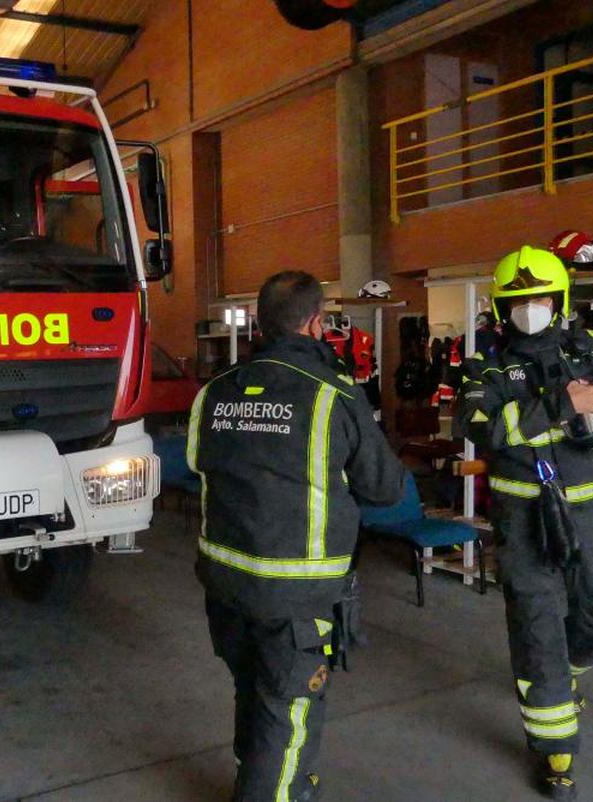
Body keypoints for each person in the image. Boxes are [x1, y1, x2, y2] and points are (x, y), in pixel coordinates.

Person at [187, 271, 406, 801]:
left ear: (260, 322)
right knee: (288, 711)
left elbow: (198, 463)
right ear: (315, 322)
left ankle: (252, 775)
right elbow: (385, 489)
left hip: (227, 582)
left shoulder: (216, 392)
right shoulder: (335, 395)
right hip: (298, 592)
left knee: (252, 690)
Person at [455, 246, 593, 800]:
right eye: (520, 301)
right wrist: (558, 405)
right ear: (502, 308)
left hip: (591, 513)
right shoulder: (486, 366)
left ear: (562, 300)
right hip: (524, 521)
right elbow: (481, 427)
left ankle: (567, 668)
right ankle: (556, 756)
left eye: (542, 298)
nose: (532, 308)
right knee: (537, 630)